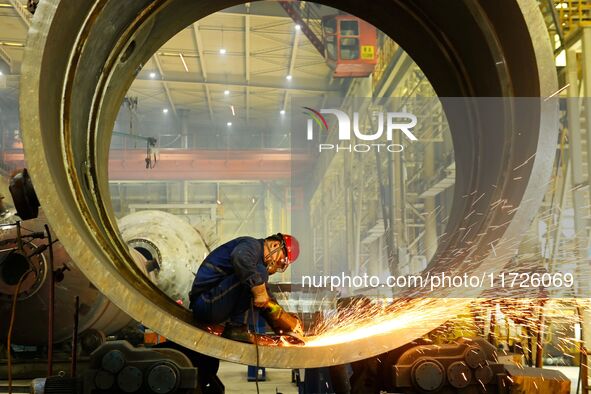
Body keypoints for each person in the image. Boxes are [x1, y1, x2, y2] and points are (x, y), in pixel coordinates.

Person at [189, 233, 301, 340]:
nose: (277, 266)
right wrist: (260, 292)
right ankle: (237, 327)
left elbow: (266, 299)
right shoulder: (251, 245)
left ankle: (241, 328)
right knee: (258, 276)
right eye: (280, 260)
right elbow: (240, 257)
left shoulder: (257, 268)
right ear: (275, 245)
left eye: (281, 265)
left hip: (213, 303)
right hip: (204, 302)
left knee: (259, 285)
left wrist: (284, 321)